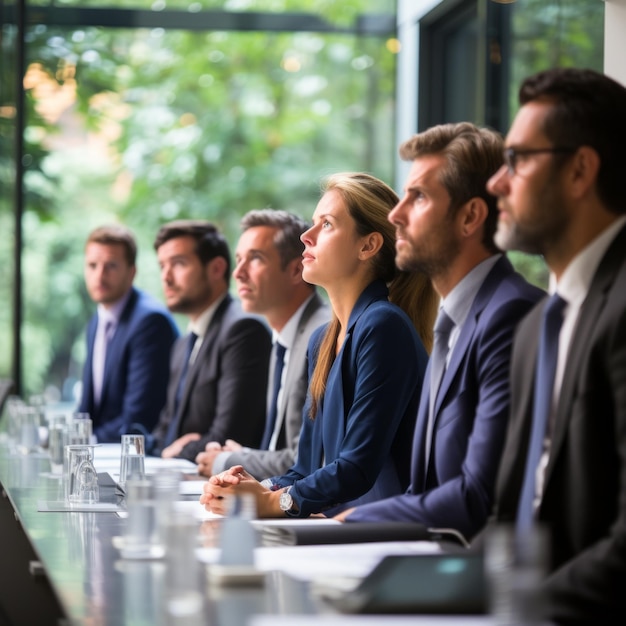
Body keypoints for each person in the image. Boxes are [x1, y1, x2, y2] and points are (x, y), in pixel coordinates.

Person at [335, 123, 545, 543]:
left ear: (470, 217)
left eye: (420, 196)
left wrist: (353, 522)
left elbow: (476, 497)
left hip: (480, 584)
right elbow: (424, 491)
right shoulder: (449, 322)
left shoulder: (511, 314)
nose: (396, 213)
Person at [200, 172, 437, 518]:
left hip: (387, 535)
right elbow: (305, 469)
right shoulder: (322, 341)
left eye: (325, 224)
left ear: (368, 246)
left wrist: (267, 502)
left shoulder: (383, 326)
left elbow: (356, 468)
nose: (305, 237)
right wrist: (251, 488)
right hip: (341, 530)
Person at [485, 67, 626, 622]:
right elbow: (509, 522)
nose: (497, 182)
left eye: (517, 159)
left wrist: (508, 609)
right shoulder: (535, 328)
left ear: (580, 171)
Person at [195, 209, 330, 480]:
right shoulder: (281, 337)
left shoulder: (321, 332)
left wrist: (227, 460)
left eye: (255, 259)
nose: (238, 273)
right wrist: (245, 456)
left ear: (296, 270)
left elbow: (307, 462)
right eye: (239, 259)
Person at [148, 220, 272, 461]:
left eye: (178, 264)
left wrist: (176, 451)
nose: (166, 277)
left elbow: (229, 436)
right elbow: (165, 430)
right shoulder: (183, 343)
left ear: (216, 269)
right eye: (162, 266)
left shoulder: (243, 330)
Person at [78, 224, 179, 443]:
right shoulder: (97, 320)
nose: (100, 275)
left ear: (132, 272)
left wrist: (86, 442)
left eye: (111, 266)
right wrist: (64, 438)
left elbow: (139, 417)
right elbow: (87, 409)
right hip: (100, 452)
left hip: (135, 457)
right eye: (92, 265)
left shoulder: (150, 321)